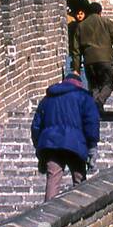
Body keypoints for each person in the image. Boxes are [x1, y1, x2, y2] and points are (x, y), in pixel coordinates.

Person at [31, 71, 100, 200]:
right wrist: (92, 146)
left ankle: (48, 214)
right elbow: (91, 122)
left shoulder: (48, 98)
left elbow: (36, 125)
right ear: (79, 83)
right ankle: (81, 212)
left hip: (51, 144)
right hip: (75, 144)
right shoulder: (83, 97)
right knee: (79, 179)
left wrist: (39, 147)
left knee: (53, 179)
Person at [71, 0, 113, 110]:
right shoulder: (107, 22)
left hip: (89, 61)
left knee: (94, 86)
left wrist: (76, 68)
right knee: (108, 84)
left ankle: (96, 109)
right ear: (100, 12)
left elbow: (75, 50)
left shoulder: (81, 26)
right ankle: (99, 102)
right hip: (105, 59)